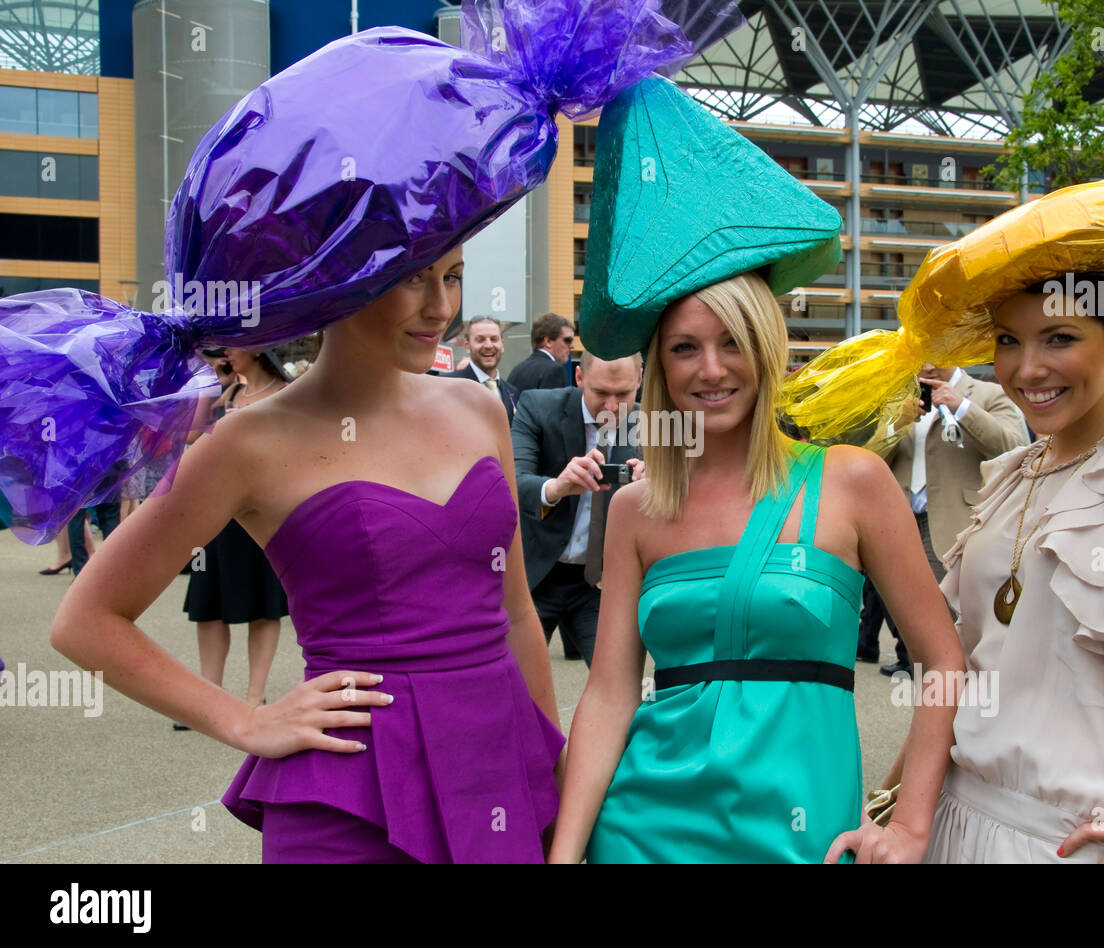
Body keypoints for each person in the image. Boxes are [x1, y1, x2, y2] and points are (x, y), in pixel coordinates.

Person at [3, 2, 740, 863]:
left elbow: (511, 620)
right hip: (346, 798)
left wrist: (553, 780)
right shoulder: (247, 443)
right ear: (346, 279)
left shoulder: (477, 408)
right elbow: (86, 621)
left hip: (500, 772)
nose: (442, 307)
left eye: (455, 276)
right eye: (416, 279)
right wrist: (248, 718)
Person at [783, 132, 1104, 863]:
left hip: (1065, 847)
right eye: (1007, 340)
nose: (1028, 369)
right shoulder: (1015, 470)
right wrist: (896, 807)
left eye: (1059, 337)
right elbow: (962, 667)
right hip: (947, 827)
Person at [550, 74, 964, 863]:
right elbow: (607, 694)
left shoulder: (851, 481)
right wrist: (565, 854)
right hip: (642, 833)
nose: (711, 369)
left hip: (803, 837)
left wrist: (911, 821)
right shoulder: (636, 509)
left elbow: (943, 661)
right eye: (684, 348)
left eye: (733, 341)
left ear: (768, 348)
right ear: (658, 367)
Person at [861, 361, 1026, 675]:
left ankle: (963, 704)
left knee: (956, 628)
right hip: (901, 525)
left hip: (959, 527)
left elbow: (1015, 447)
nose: (927, 364)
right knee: (914, 627)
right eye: (921, 354)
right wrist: (896, 424)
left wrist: (961, 406)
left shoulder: (988, 394)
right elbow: (871, 459)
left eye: (937, 353)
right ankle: (933, 703)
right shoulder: (900, 401)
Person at [511, 351, 644, 666]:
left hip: (599, 582)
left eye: (623, 394)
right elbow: (511, 481)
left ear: (639, 382)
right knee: (510, 683)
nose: (611, 407)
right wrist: (555, 488)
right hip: (535, 575)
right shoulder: (537, 406)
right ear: (579, 378)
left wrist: (656, 486)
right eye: (600, 393)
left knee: (615, 678)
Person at [180, 347, 291, 715]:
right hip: (216, 514)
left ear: (257, 348)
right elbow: (192, 439)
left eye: (231, 347)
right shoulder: (228, 393)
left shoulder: (286, 393)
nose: (224, 353)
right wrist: (214, 386)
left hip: (264, 514)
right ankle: (208, 694)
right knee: (208, 604)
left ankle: (254, 696)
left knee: (264, 606)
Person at [447, 315, 520, 423]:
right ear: (467, 346)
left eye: (494, 339)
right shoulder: (449, 387)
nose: (488, 345)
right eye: (480, 339)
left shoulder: (513, 392)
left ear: (502, 345)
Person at [507, 313, 573, 392]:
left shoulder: (517, 370)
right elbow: (553, 404)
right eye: (568, 340)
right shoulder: (554, 371)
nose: (572, 346)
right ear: (548, 341)